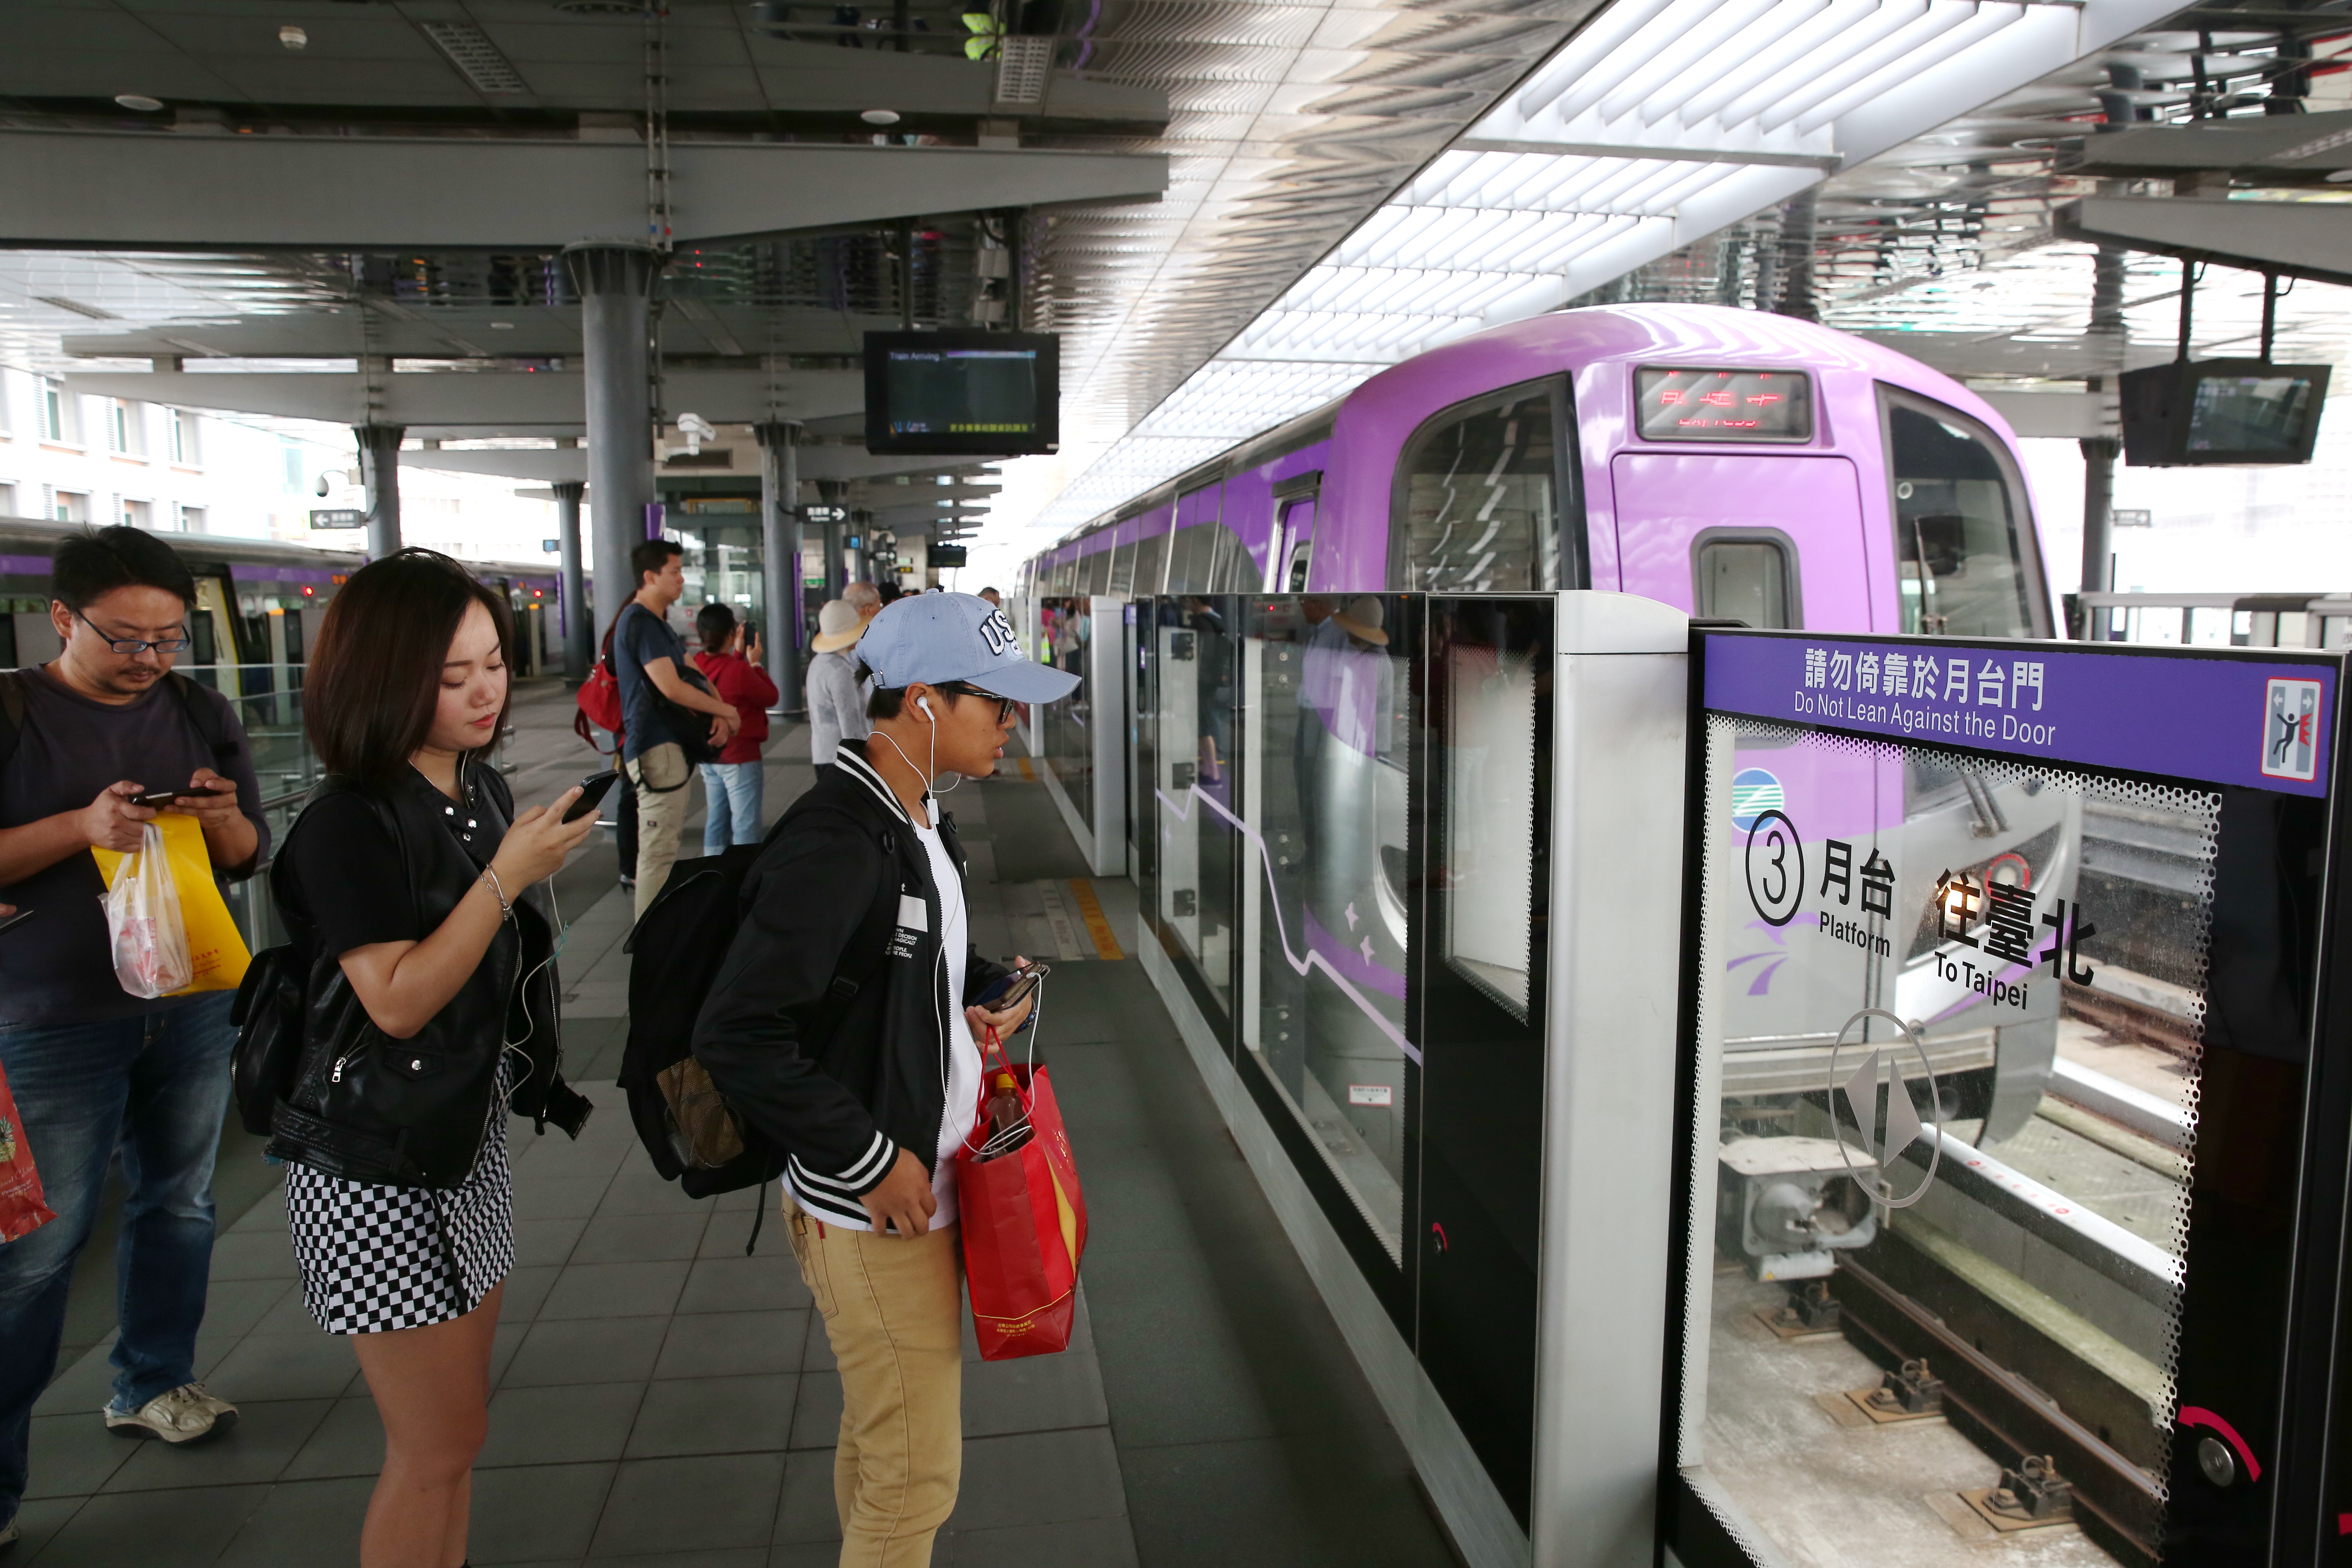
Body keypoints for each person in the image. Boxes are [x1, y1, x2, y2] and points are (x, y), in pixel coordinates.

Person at [694, 592, 1080, 1568]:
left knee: (883, 1443)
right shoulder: (836, 841)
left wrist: (987, 986)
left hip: (914, 1183)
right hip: (876, 1209)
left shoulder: (915, 813)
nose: (1009, 720)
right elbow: (736, 1031)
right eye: (992, 701)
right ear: (922, 702)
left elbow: (923, 957)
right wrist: (871, 1159)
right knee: (916, 1477)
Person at [270, 549, 596, 1568]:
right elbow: (399, 1001)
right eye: (451, 677)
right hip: (373, 1166)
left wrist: (512, 868)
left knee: (458, 1441)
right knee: (435, 1443)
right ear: (380, 678)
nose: (485, 691)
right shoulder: (346, 821)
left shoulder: (480, 788)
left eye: (492, 663)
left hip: (457, 1139)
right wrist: (506, 878)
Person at [0, 526, 270, 1548]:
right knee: (35, 1253)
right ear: (62, 619)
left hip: (192, 998)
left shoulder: (198, 708)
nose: (150, 658)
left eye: (169, 638)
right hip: (50, 1015)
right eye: (126, 638)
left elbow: (249, 851)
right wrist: (78, 829)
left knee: (180, 1201)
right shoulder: (14, 710)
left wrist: (220, 814)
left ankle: (153, 1378)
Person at [612, 539, 738, 920]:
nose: (682, 579)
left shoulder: (658, 624)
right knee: (659, 850)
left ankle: (657, 933)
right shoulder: (639, 623)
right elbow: (670, 685)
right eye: (675, 571)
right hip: (655, 747)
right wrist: (727, 711)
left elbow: (693, 671)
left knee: (664, 846)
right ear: (650, 577)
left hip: (667, 747)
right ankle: (649, 941)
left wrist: (717, 711)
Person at [690, 603, 778, 855]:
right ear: (731, 634)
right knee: (745, 824)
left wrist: (739, 657)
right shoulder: (739, 670)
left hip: (709, 755)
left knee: (716, 819)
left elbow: (726, 674)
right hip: (740, 756)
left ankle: (712, 870)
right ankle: (742, 879)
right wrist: (755, 664)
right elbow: (770, 696)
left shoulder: (695, 664)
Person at [805, 599, 871, 767]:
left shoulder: (818, 664)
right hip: (842, 760)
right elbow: (850, 721)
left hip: (823, 753)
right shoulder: (840, 671)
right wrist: (863, 760)